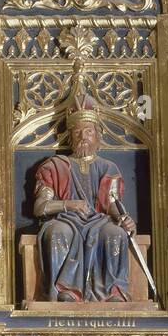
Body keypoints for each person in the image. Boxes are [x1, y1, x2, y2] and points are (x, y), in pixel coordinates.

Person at [32, 98, 135, 301]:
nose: (83, 137)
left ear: (98, 135)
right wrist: (69, 205)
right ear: (70, 136)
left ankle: (112, 291)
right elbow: (40, 207)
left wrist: (124, 218)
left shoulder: (109, 168)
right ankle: (65, 290)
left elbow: (112, 204)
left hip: (99, 221)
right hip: (65, 220)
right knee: (57, 232)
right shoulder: (54, 166)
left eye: (88, 131)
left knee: (115, 233)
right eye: (77, 132)